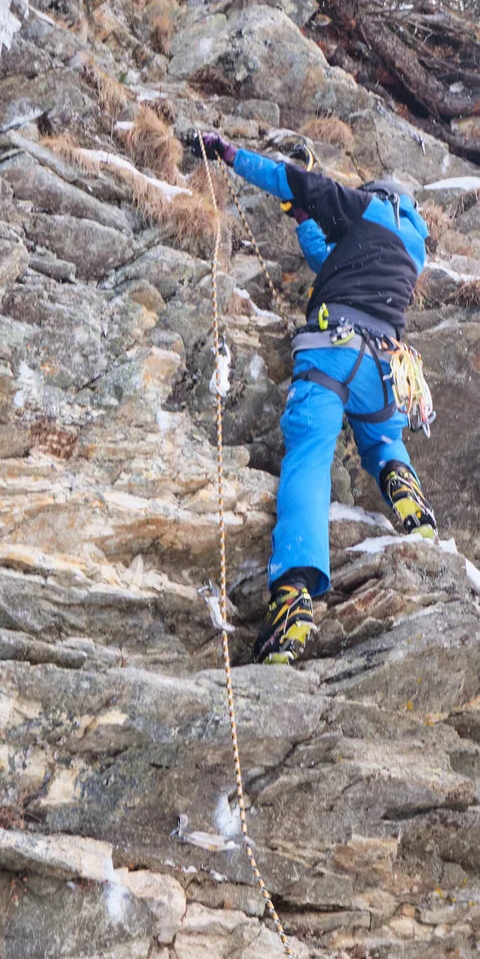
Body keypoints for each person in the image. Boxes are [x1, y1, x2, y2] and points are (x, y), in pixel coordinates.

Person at [197, 132, 438, 666]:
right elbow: (326, 260)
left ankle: (294, 595)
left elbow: (298, 182)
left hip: (333, 348)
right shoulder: (413, 247)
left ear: (378, 195)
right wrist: (303, 217)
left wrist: (230, 155)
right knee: (384, 440)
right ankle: (405, 491)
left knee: (308, 459)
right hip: (384, 365)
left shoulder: (368, 207)